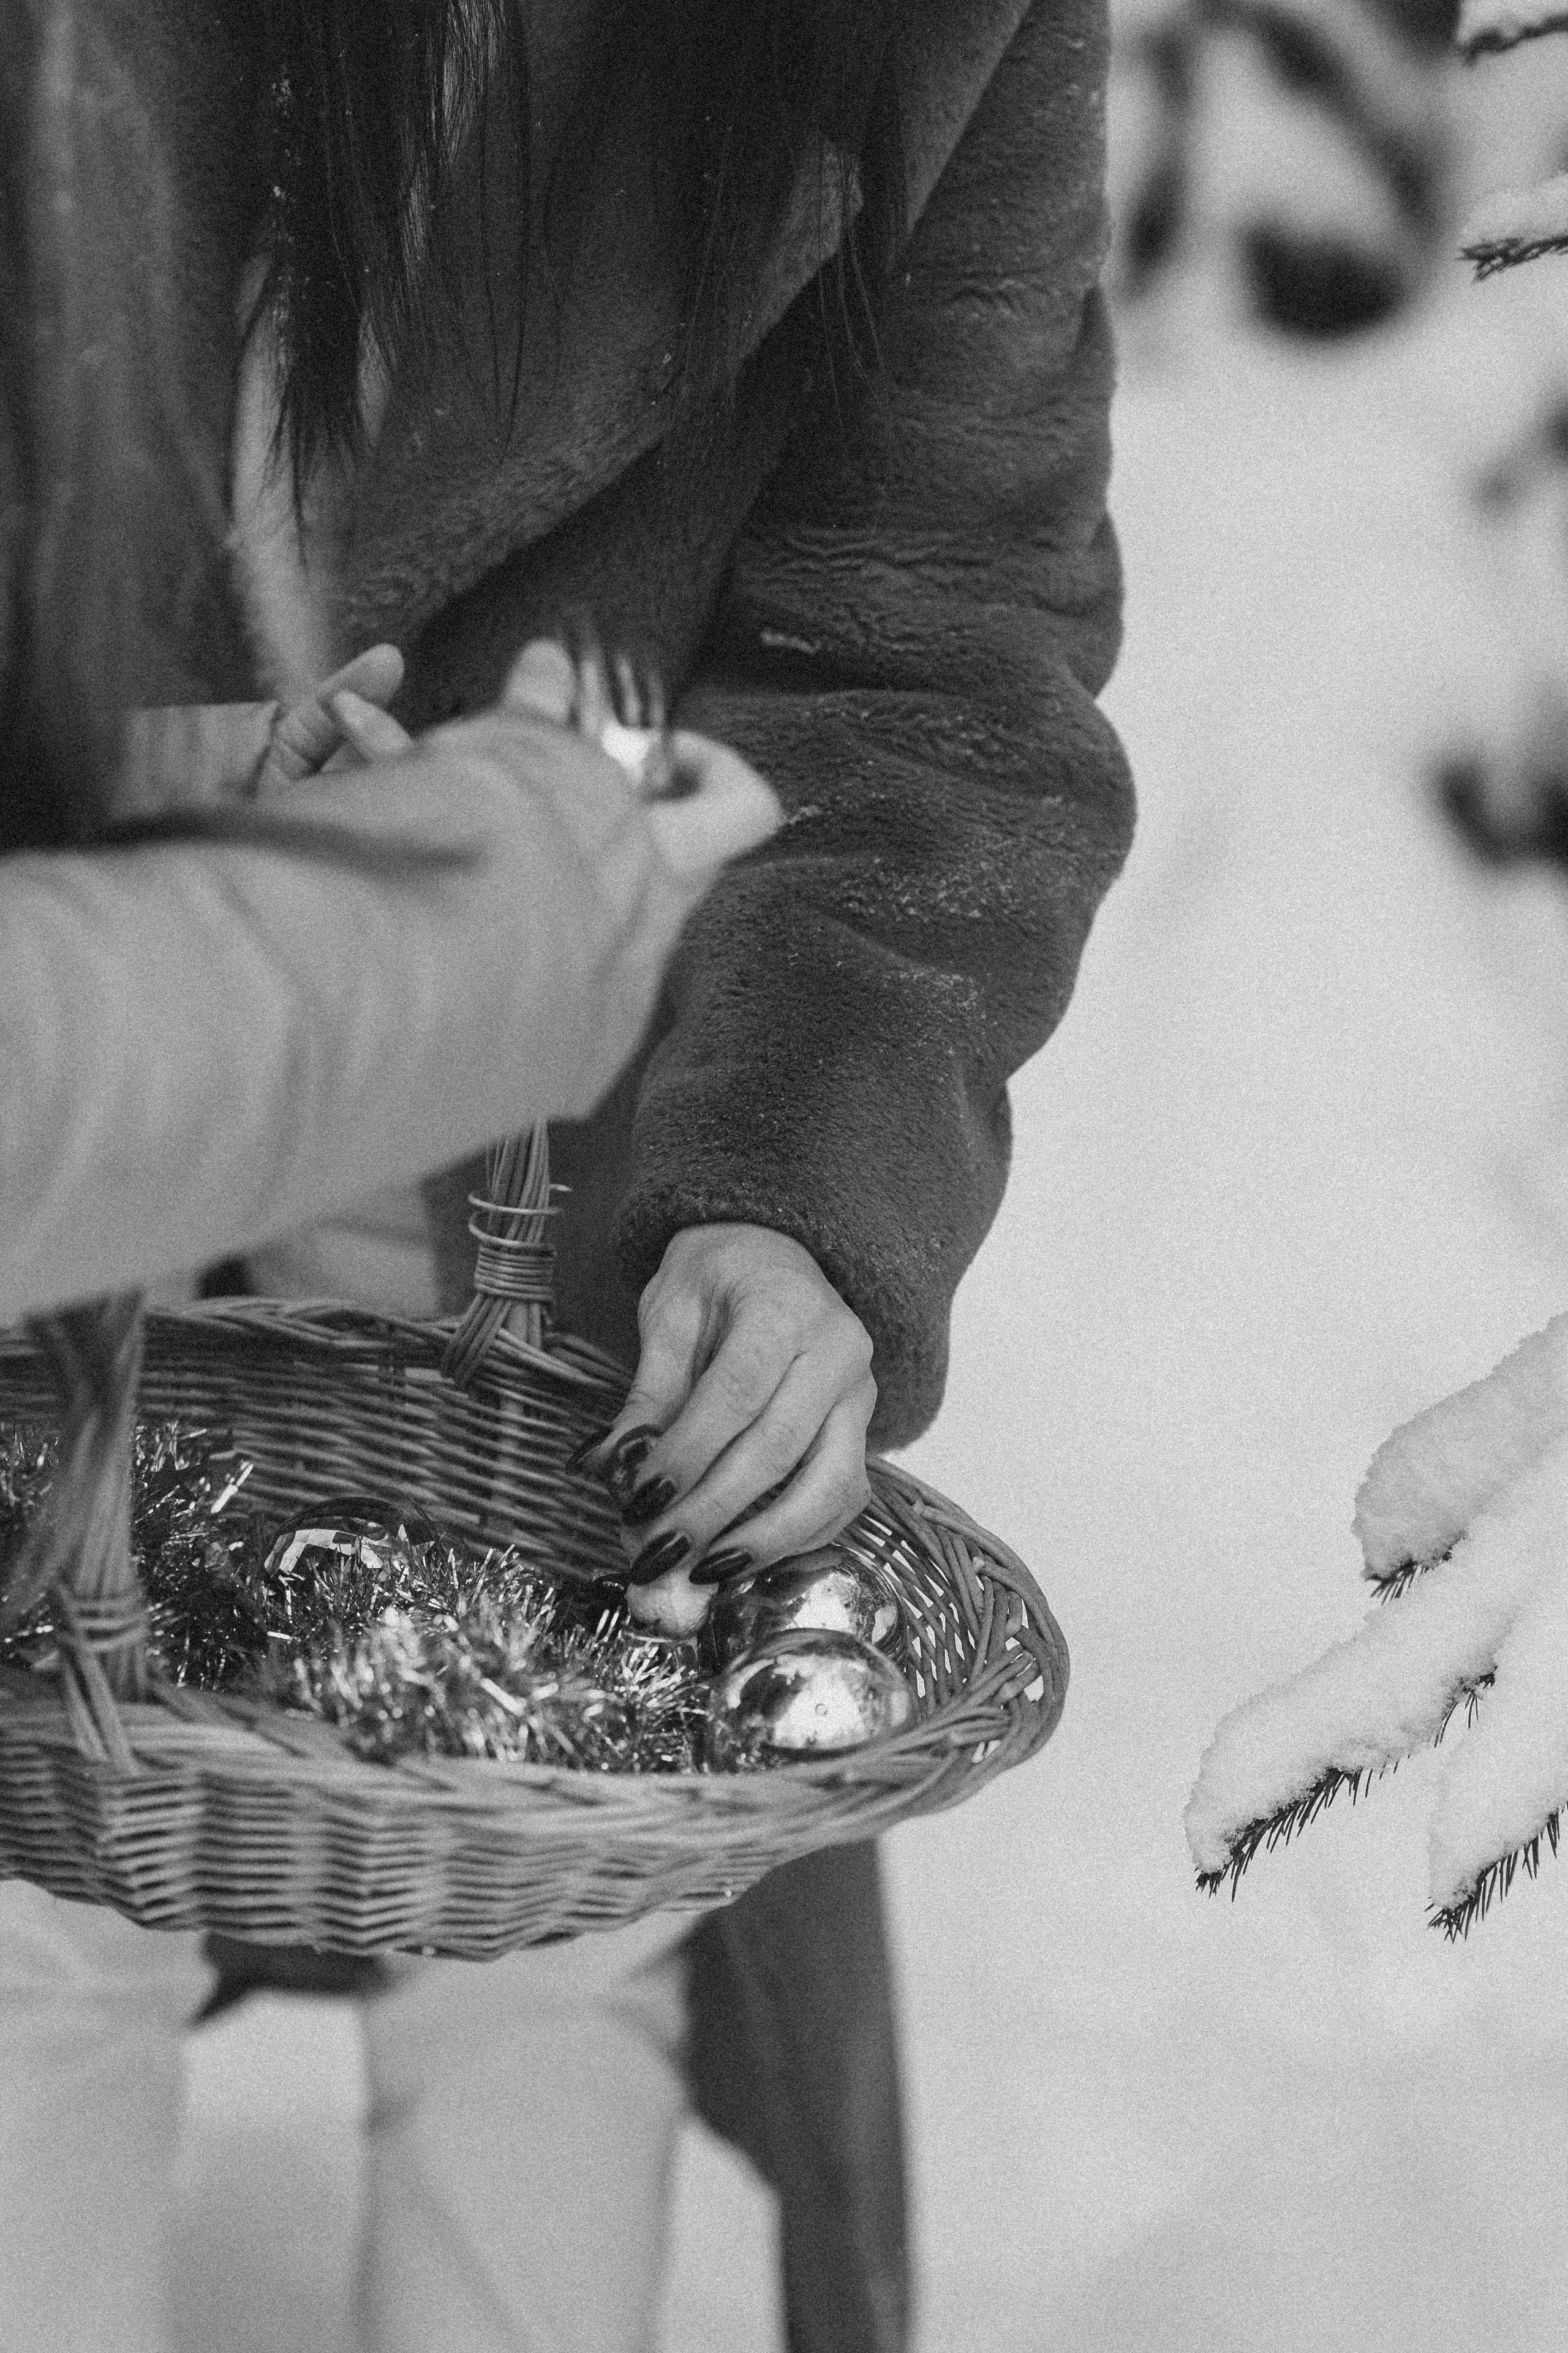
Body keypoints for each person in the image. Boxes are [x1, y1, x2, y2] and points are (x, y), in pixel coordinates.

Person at [1, 2, 1133, 2347]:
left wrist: (801, 1176)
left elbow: (928, 641)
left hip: (538, 1067)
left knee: (553, 1861)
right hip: (51, 978)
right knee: (23, 1883)